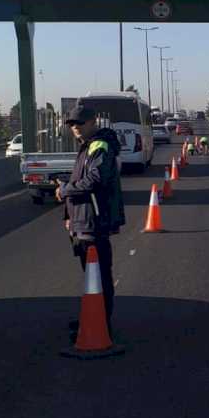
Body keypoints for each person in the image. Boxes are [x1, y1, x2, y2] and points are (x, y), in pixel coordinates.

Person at [55, 98, 125, 333]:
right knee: (92, 276)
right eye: (72, 124)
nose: (75, 127)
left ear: (93, 122)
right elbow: (80, 180)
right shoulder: (87, 145)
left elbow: (94, 180)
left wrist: (65, 190)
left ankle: (100, 324)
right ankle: (93, 318)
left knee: (98, 277)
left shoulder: (99, 146)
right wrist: (69, 214)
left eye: (80, 123)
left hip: (93, 222)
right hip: (83, 221)